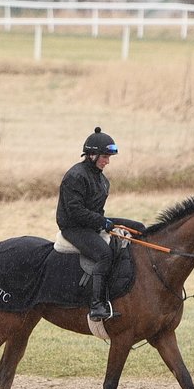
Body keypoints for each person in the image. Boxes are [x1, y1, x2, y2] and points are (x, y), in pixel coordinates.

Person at [56, 127, 131, 322]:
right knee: (104, 254)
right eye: (104, 157)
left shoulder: (102, 180)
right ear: (92, 155)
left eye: (108, 157)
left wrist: (106, 222)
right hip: (73, 227)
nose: (107, 161)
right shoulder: (75, 176)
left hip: (91, 224)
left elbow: (97, 210)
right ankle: (96, 305)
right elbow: (75, 211)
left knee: (137, 226)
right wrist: (102, 222)